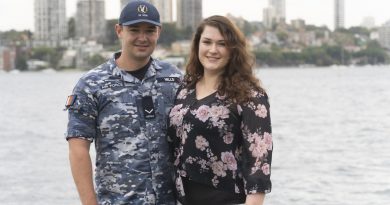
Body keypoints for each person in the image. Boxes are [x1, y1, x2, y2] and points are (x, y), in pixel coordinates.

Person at [65, 1, 182, 204]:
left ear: (159, 32)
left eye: (149, 30)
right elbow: (78, 149)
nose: (142, 38)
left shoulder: (174, 78)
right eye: (134, 30)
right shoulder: (92, 84)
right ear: (119, 30)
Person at [167, 15, 272, 205]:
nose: (213, 50)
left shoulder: (250, 96)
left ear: (233, 50)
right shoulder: (184, 90)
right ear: (197, 46)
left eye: (222, 44)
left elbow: (259, 162)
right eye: (207, 42)